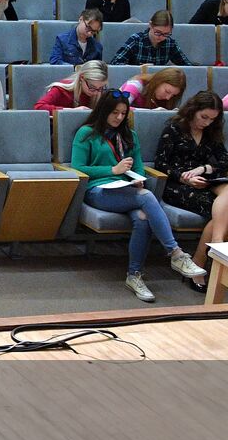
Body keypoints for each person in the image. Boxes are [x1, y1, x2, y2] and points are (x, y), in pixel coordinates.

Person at [71, 91, 207, 303]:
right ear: (104, 111)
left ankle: (134, 276)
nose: (119, 117)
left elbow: (140, 167)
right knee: (147, 198)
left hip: (127, 190)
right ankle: (176, 253)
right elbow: (78, 168)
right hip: (98, 191)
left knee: (143, 218)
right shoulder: (86, 133)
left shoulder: (129, 135)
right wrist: (113, 170)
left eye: (123, 113)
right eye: (114, 112)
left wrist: (138, 178)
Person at [156, 91, 228, 278]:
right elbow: (161, 164)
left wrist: (204, 168)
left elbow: (224, 161)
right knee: (222, 210)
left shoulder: (212, 132)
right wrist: (184, 178)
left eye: (212, 119)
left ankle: (205, 254)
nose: (207, 123)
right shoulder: (174, 128)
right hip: (177, 185)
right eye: (204, 117)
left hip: (206, 180)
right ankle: (209, 253)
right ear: (193, 110)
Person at [112, 11, 190, 66]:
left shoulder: (170, 43)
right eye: (157, 32)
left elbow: (187, 66)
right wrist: (137, 69)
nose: (161, 37)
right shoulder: (136, 40)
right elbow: (115, 63)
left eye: (166, 34)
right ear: (150, 25)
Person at [34, 61, 108, 112]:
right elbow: (39, 107)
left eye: (100, 88)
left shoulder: (100, 92)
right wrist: (71, 111)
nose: (95, 92)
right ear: (81, 78)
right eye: (92, 87)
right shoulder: (61, 89)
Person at [121, 68, 186, 110]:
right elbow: (120, 107)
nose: (168, 98)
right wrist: (152, 112)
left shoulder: (167, 99)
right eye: (167, 91)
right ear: (158, 81)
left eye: (173, 95)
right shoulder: (135, 85)